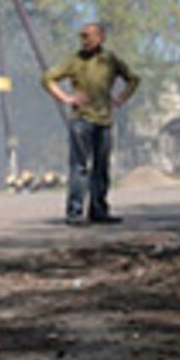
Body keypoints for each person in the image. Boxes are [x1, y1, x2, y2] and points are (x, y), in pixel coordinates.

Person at [42, 23, 141, 225]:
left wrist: (121, 98)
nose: (85, 40)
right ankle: (75, 212)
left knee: (101, 167)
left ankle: (99, 210)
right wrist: (66, 98)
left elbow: (133, 78)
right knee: (79, 167)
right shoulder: (74, 60)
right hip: (82, 120)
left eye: (89, 36)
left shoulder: (110, 60)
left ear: (101, 37)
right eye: (82, 36)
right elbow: (47, 78)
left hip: (104, 120)